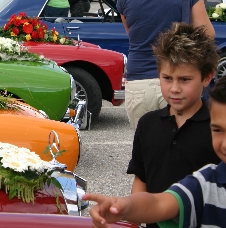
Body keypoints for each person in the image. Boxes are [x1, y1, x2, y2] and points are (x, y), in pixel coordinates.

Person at [84, 73, 226, 228]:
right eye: (218, 130)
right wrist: (123, 206)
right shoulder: (206, 183)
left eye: (185, 79)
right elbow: (158, 203)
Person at [117, 0, 215, 130]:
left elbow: (133, 33)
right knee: (186, 152)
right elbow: (207, 34)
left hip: (139, 81)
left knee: (149, 152)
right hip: (180, 79)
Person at [126, 22, 221, 228]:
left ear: (207, 77)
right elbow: (141, 180)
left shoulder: (217, 129)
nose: (174, 88)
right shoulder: (147, 124)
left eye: (185, 79)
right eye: (167, 78)